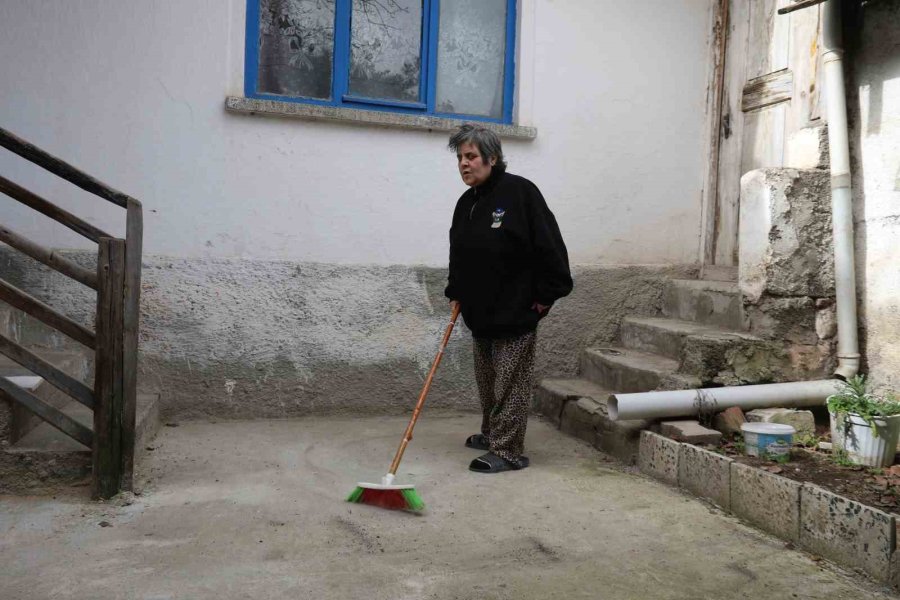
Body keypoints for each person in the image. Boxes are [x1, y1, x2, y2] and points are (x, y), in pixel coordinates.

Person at [445, 123, 572, 473]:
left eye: (471, 156)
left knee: (510, 384)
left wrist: (545, 297)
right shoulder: (466, 203)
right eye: (460, 157)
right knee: (488, 383)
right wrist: (455, 291)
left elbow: (550, 246)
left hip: (517, 311)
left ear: (492, 158)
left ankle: (508, 451)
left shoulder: (520, 193)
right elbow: (459, 253)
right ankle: (492, 433)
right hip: (480, 313)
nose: (464, 163)